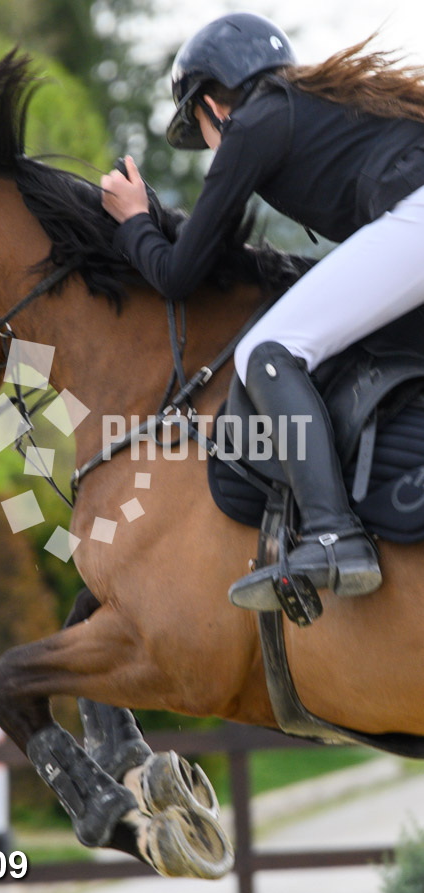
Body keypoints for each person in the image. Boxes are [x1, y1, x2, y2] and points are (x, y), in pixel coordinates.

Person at [100, 11, 424, 614]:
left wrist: (134, 220)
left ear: (211, 104)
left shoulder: (254, 122)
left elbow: (178, 275)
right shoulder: (311, 109)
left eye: (200, 129)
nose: (210, 145)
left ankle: (334, 536)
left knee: (265, 352)